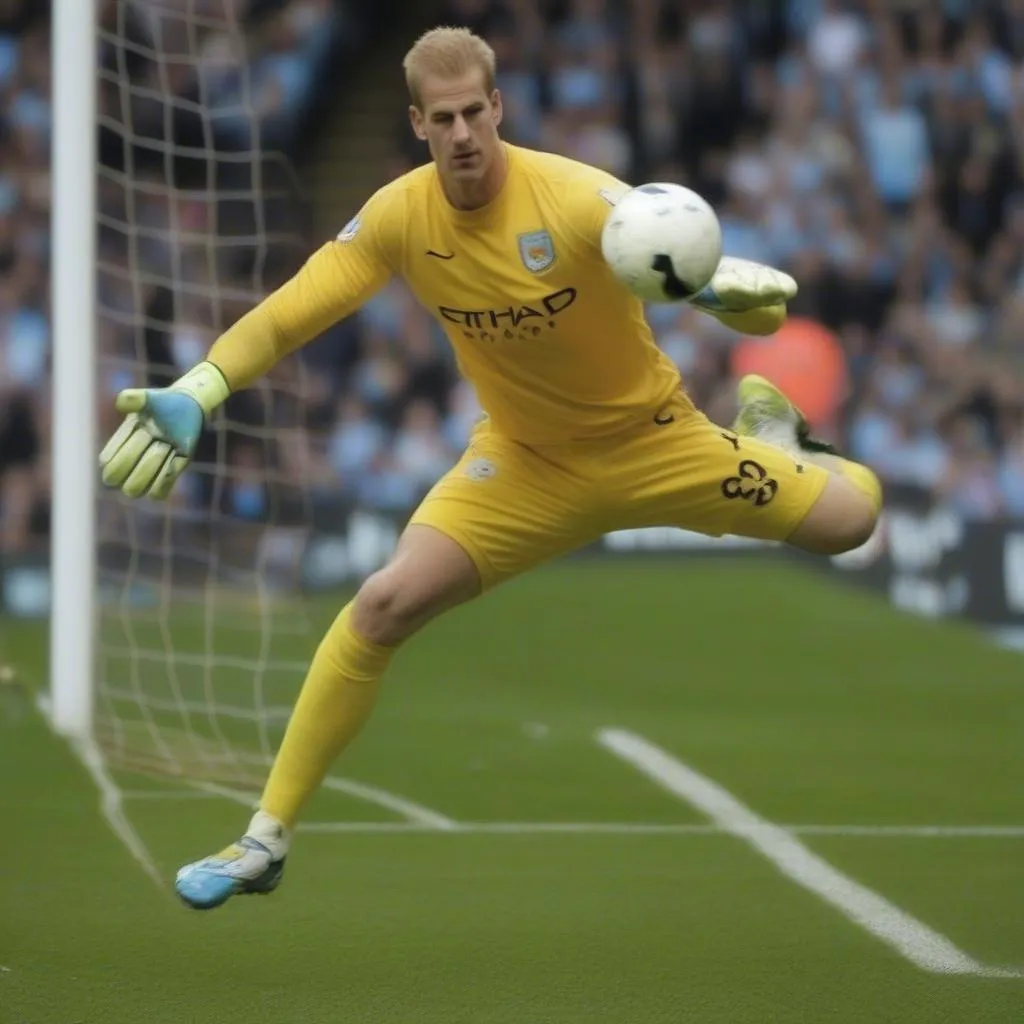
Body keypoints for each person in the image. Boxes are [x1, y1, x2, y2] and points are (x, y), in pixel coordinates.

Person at [98, 26, 882, 910]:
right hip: (524, 463)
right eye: (445, 118)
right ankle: (264, 839)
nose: (465, 131)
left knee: (852, 522)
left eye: (477, 110)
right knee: (381, 605)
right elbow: (292, 313)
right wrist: (202, 388)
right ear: (419, 125)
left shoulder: (585, 198)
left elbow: (732, 298)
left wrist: (729, 302)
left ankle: (777, 443)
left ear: (498, 106)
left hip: (657, 443)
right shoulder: (400, 215)